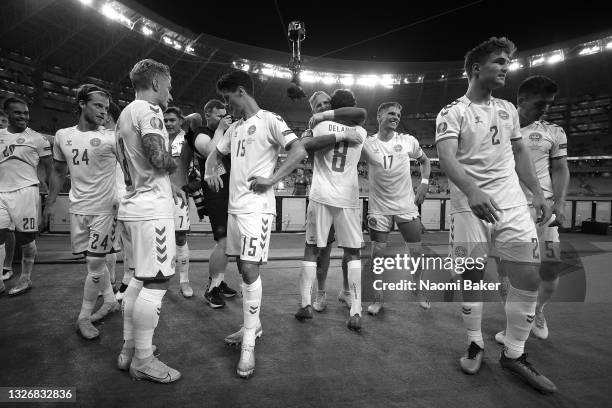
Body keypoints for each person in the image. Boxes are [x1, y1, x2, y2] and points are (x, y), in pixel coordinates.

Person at [435, 37, 556, 393]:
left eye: (508, 62)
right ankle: (475, 342)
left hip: (512, 204)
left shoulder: (508, 110)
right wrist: (472, 191)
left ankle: (515, 353)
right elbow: (447, 158)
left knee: (529, 277)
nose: (507, 68)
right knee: (471, 276)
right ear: (477, 69)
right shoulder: (452, 112)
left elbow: (519, 153)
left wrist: (536, 191)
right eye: (500, 62)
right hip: (469, 207)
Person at [205, 70, 306, 378]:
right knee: (241, 267)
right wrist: (211, 167)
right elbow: (215, 154)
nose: (226, 106)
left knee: (249, 269)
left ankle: (249, 341)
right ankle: (254, 325)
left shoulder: (270, 120)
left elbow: (299, 150)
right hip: (235, 209)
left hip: (257, 210)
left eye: (227, 99)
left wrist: (272, 179)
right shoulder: (234, 127)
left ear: (240, 92)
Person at [115, 59, 184, 383]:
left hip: (131, 208)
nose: (170, 92)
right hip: (150, 211)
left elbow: (140, 162)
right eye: (168, 85)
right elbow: (157, 158)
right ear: (156, 83)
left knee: (139, 280)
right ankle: (143, 359)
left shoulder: (125, 114)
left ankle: (130, 348)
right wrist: (178, 167)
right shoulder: (149, 110)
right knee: (157, 282)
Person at [495, 75, 569, 342]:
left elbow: (560, 167)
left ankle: (537, 311)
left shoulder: (554, 131)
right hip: (510, 211)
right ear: (522, 100)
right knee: (510, 272)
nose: (546, 109)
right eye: (541, 103)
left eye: (549, 104)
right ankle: (514, 323)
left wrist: (560, 202)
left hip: (544, 213)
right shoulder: (499, 128)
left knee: (551, 265)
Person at [44, 84, 121, 339]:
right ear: (81, 104)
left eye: (106, 108)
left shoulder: (111, 137)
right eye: (98, 105)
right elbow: (57, 171)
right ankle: (110, 300)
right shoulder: (62, 135)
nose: (103, 111)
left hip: (105, 210)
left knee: (95, 263)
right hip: (78, 207)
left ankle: (84, 316)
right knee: (92, 261)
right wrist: (50, 202)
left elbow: (131, 171)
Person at [296, 89, 366, 332]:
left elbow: (306, 147)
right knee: (353, 252)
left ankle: (306, 302)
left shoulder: (320, 127)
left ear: (333, 107)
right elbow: (360, 114)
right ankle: (356, 308)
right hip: (347, 198)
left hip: (321, 195)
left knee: (312, 248)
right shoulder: (361, 132)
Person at [362, 101, 431, 315]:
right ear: (379, 116)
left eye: (398, 114)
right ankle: (378, 297)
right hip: (379, 208)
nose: (396, 117)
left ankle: (416, 284)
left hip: (405, 205)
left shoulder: (408, 141)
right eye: (391, 113)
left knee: (417, 251)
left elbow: (425, 161)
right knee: (378, 254)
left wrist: (425, 184)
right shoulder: (367, 142)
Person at [178, 99, 237, 308]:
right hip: (216, 192)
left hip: (230, 191)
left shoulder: (226, 132)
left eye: (224, 115)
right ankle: (211, 289)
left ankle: (219, 282)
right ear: (208, 115)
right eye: (218, 116)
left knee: (230, 243)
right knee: (223, 242)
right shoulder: (201, 133)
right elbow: (211, 151)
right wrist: (221, 128)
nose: (223, 119)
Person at [0, 97, 52, 296]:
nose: (23, 117)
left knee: (26, 238)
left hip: (26, 191)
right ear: (7, 114)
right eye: (18, 113)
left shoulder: (37, 138)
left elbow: (50, 166)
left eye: (26, 113)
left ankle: (25, 278)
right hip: (1, 192)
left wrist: (44, 185)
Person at [163, 106, 193, 298]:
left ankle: (184, 281)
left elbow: (197, 118)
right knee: (160, 238)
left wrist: (187, 119)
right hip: (158, 194)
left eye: (172, 120)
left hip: (180, 195)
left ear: (181, 120)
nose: (168, 124)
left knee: (180, 239)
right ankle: (162, 278)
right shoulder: (158, 137)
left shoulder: (187, 138)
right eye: (165, 120)